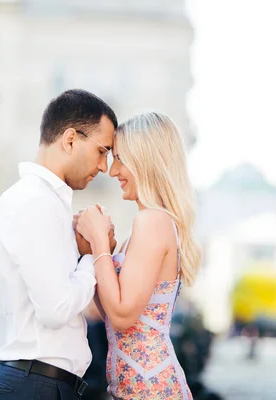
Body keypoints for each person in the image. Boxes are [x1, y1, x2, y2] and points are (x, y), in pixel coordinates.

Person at [0, 89, 117, 400]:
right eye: (101, 150)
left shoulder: (44, 203)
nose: (105, 166)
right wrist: (94, 254)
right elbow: (56, 310)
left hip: (36, 382)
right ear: (70, 139)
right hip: (33, 384)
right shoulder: (35, 203)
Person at [76, 112, 201, 399]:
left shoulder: (152, 222)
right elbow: (107, 311)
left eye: (120, 158)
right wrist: (96, 250)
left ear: (145, 161)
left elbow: (122, 316)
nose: (112, 170)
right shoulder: (145, 227)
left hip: (150, 388)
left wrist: (99, 244)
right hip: (138, 386)